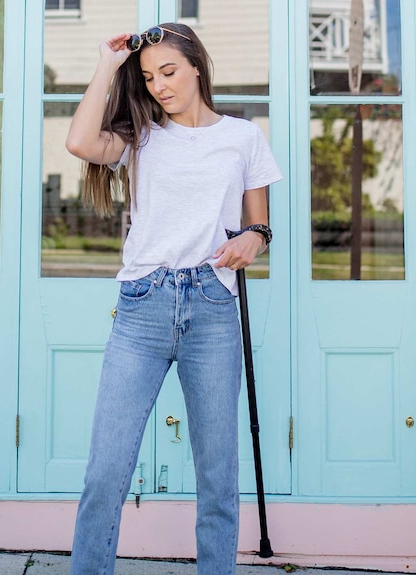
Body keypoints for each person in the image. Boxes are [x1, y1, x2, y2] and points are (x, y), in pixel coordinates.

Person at [64, 22, 282, 575]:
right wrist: (107, 67)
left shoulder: (243, 137)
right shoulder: (142, 136)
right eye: (149, 76)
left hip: (211, 307)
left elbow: (259, 225)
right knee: (105, 472)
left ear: (197, 69)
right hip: (143, 307)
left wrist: (252, 241)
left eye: (169, 72)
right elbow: (80, 142)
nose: (159, 85)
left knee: (217, 475)